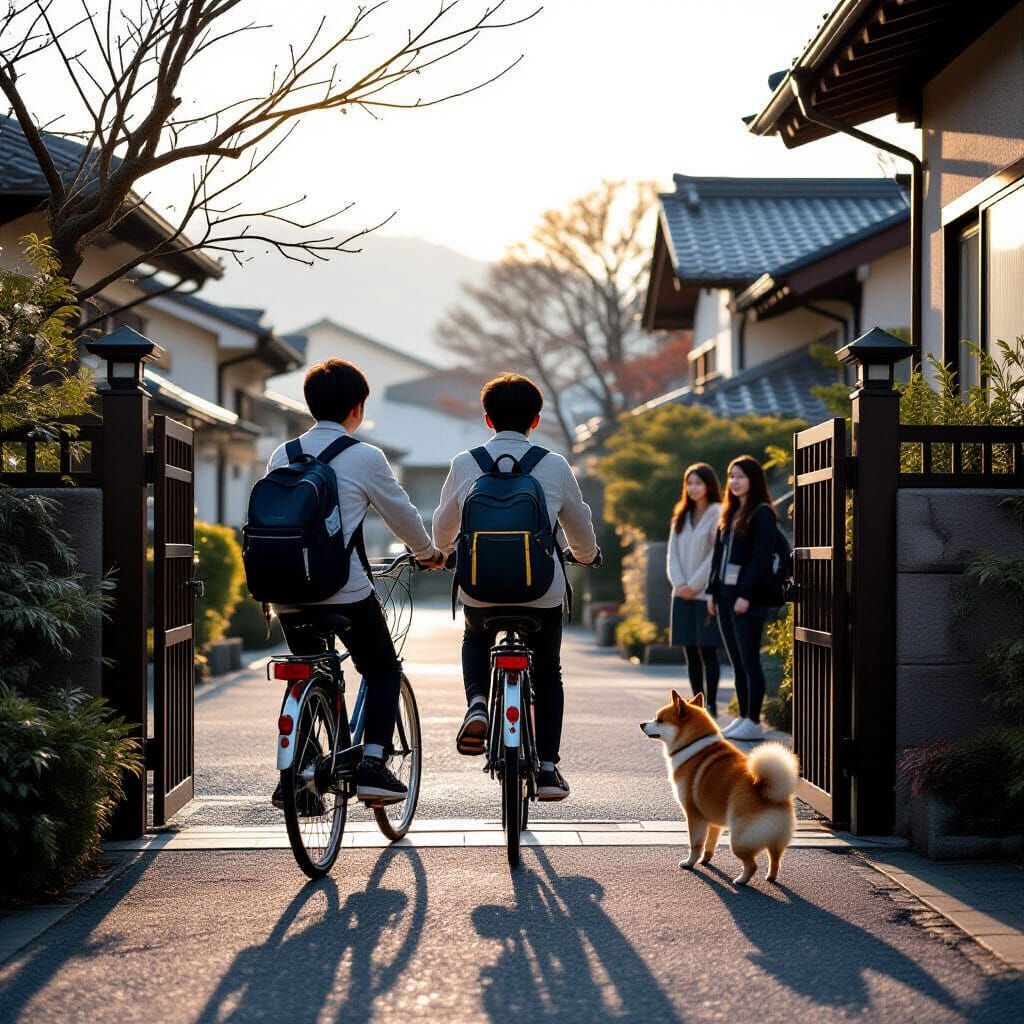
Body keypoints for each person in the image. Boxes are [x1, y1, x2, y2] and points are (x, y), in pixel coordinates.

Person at [266, 358, 444, 806]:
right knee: (382, 669)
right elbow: (401, 514)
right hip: (343, 590)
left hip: (284, 591)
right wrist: (429, 554)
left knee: (307, 668)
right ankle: (373, 764)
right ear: (357, 409)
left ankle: (297, 776)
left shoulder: (282, 455)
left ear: (310, 404)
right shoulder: (365, 457)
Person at [432, 372, 600, 801]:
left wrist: (442, 551)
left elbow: (442, 526)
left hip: (480, 589)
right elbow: (579, 525)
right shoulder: (554, 465)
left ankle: (477, 703)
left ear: (488, 420)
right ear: (536, 420)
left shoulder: (465, 463)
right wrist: (585, 556)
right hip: (541, 591)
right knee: (548, 670)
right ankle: (548, 768)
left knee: (475, 637)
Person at [707, 455, 777, 742]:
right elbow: (718, 558)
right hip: (725, 596)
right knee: (736, 661)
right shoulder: (730, 513)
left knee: (749, 660)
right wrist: (712, 593)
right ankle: (744, 716)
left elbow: (760, 558)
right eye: (731, 476)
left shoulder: (762, 513)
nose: (734, 482)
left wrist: (746, 594)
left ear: (753, 480)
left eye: (741, 476)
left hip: (748, 598)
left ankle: (754, 720)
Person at [666, 463, 723, 718]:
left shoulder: (718, 513)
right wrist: (680, 584)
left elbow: (715, 555)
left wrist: (695, 585)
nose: (693, 488)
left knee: (708, 649)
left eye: (698, 483)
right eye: (689, 483)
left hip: (704, 594)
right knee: (690, 651)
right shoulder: (681, 514)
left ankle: (712, 705)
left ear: (709, 485)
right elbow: (672, 555)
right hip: (681, 594)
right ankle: (696, 705)